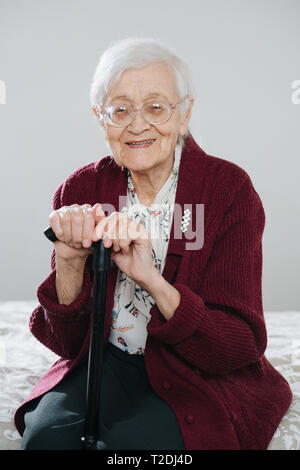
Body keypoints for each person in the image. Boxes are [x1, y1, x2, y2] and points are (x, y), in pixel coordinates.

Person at [15, 37, 292, 450]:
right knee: (44, 441)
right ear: (100, 118)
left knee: (137, 448)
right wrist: (70, 261)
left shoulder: (228, 190)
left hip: (195, 371)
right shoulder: (81, 187)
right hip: (104, 363)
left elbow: (239, 345)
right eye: (120, 109)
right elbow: (69, 345)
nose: (138, 124)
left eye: (156, 107)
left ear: (184, 114)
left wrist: (153, 281)